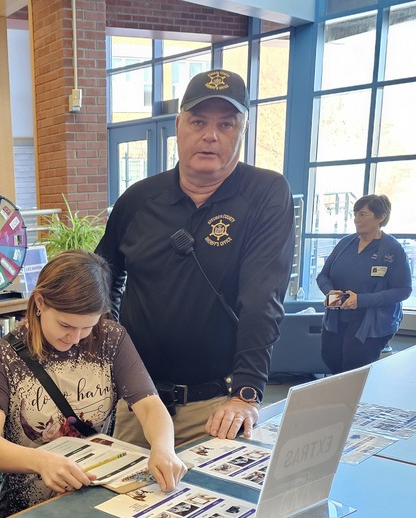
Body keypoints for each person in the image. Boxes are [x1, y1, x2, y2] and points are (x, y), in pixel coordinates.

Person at [97, 69, 295, 444]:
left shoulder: (266, 194)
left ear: (243, 130)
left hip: (218, 406)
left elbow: (262, 299)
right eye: (198, 121)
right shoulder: (138, 199)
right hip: (137, 400)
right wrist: (111, 357)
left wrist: (247, 392)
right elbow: (103, 279)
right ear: (178, 126)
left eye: (226, 123)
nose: (210, 135)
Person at [0, 250, 186, 518]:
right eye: (65, 325)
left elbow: (150, 406)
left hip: (95, 499)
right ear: (40, 302)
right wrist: (41, 461)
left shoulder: (110, 337)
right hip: (28, 512)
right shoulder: (5, 355)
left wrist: (164, 448)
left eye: (87, 327)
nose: (75, 338)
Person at [317, 194, 412, 373]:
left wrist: (360, 300)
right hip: (338, 315)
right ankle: (342, 398)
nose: (356, 220)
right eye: (355, 214)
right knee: (330, 357)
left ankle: (352, 399)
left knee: (354, 364)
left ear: (381, 217)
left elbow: (403, 290)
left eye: (363, 215)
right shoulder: (346, 243)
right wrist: (331, 293)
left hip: (372, 321)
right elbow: (323, 276)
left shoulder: (392, 249)